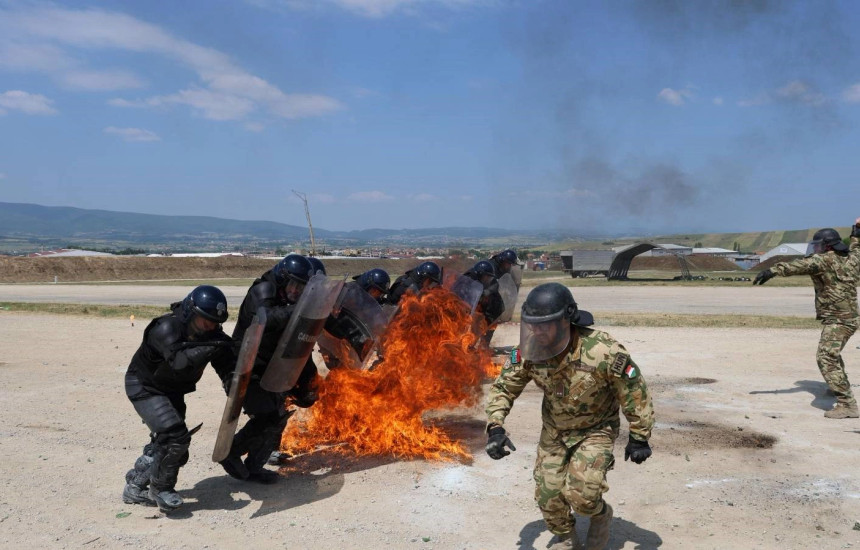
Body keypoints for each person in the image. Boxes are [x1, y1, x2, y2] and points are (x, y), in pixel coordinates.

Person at [485, 283, 654, 550]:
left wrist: (639, 437)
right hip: (554, 431)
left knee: (584, 496)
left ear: (567, 319)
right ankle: (566, 538)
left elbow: (634, 391)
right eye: (533, 325)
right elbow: (505, 386)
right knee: (548, 495)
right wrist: (495, 427)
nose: (537, 331)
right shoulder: (529, 350)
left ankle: (600, 515)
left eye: (545, 325)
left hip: (595, 430)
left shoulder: (604, 351)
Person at [123, 285, 234, 512]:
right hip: (146, 387)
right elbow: (179, 361)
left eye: (215, 322)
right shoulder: (165, 328)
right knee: (176, 439)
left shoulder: (212, 336)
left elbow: (226, 364)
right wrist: (213, 345)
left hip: (172, 390)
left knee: (172, 449)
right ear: (190, 313)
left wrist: (231, 381)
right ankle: (160, 489)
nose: (211, 326)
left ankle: (137, 479)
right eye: (205, 320)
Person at [220, 254, 320, 482]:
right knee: (266, 416)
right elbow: (266, 319)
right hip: (246, 364)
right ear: (282, 279)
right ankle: (231, 452)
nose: (296, 291)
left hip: (272, 363)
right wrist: (298, 310)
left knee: (278, 415)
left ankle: (255, 466)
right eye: (293, 284)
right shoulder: (263, 290)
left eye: (302, 287)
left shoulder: (292, 298)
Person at [753, 220, 860, 419]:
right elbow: (857, 247)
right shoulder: (853, 259)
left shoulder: (823, 260)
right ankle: (835, 386)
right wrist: (857, 233)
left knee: (826, 357)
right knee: (832, 354)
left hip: (839, 320)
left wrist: (771, 271)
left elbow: (799, 265)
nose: (816, 248)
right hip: (849, 319)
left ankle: (847, 404)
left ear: (827, 246)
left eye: (819, 245)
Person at [464, 260, 505, 347]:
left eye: (490, 277)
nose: (488, 280)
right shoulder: (467, 278)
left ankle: (482, 346)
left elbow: (494, 288)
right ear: (480, 274)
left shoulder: (492, 285)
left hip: (487, 310)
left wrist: (486, 293)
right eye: (487, 277)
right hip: (468, 306)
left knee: (486, 324)